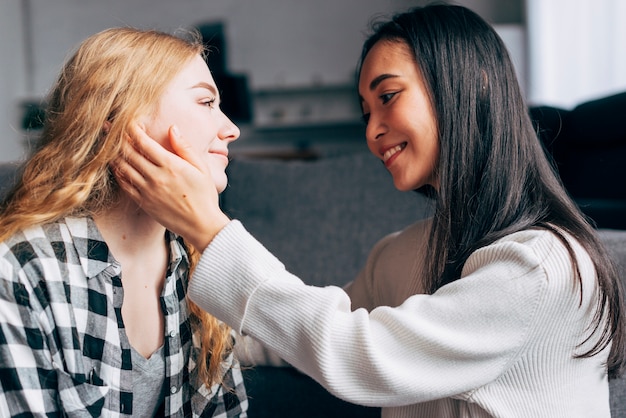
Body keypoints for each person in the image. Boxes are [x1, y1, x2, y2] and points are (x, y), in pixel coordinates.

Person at [114, 4, 626, 417]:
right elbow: (295, 337)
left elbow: (357, 355)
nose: (372, 129)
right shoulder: (400, 254)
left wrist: (209, 228)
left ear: (475, 85)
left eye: (388, 96)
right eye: (365, 111)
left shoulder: (543, 267)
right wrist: (154, 340)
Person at [0, 27, 247, 417]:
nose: (231, 129)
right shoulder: (22, 272)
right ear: (118, 115)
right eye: (205, 102)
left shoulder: (201, 267)